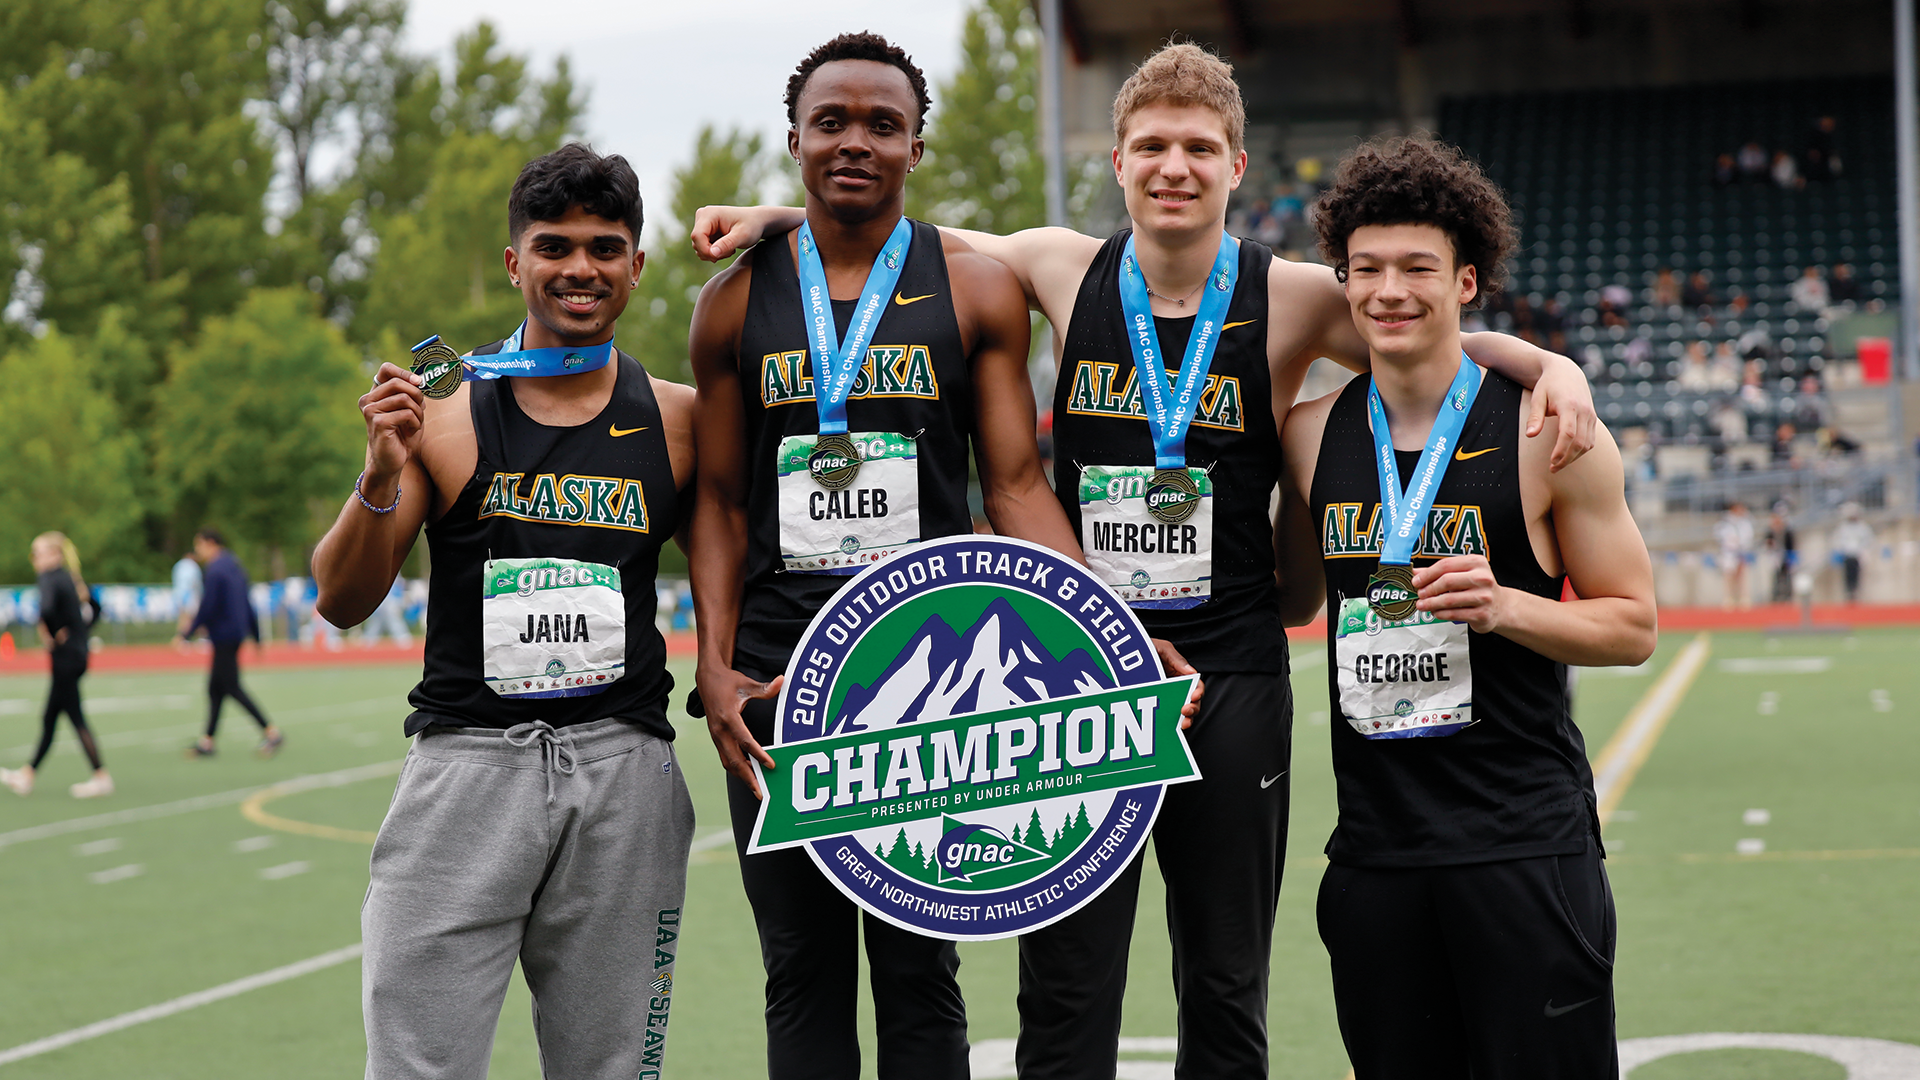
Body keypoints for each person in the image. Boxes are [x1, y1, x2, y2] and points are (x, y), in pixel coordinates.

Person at [694, 41, 1599, 1080]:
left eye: (1200, 148)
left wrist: (1547, 362)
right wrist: (775, 222)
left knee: (1224, 983)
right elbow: (893, 241)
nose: (1176, 166)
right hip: (1078, 673)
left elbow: (1419, 332)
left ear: (1237, 166)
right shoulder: (1055, 266)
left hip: (1233, 669)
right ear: (1117, 163)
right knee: (1066, 985)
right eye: (1154, 146)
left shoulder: (1298, 296)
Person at [685, 33, 1096, 1080]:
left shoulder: (977, 288)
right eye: (832, 123)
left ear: (918, 144)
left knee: (921, 969)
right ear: (795, 141)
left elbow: (1013, 485)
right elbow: (723, 503)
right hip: (783, 675)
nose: (854, 142)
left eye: (881, 124)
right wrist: (715, 667)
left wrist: (1112, 633)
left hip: (931, 669)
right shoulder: (732, 303)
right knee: (801, 967)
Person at [1273, 134, 1656, 1080]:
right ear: (1344, 281)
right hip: (1375, 856)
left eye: (1418, 268)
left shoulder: (1547, 429)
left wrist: (1506, 608)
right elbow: (1288, 594)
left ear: (1467, 282)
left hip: (1521, 846)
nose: (1390, 291)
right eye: (1366, 270)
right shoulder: (1311, 434)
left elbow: (1634, 625)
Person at [311, 143, 698, 1080]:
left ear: (636, 265)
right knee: (417, 1066)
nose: (580, 269)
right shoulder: (441, 415)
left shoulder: (681, 418)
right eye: (554, 245)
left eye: (605, 247)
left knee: (612, 1069)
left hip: (624, 772)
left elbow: (730, 587)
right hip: (468, 770)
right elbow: (341, 598)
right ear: (517, 259)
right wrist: (377, 475)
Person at [1, 533, 112, 798]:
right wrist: (78, 631)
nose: (34, 560)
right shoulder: (71, 579)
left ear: (54, 554)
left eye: (37, 553)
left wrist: (52, 634)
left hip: (65, 659)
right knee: (53, 717)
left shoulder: (51, 577)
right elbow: (95, 608)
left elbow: (47, 610)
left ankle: (100, 776)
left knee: (70, 717)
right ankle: (28, 774)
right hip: (77, 655)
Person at [177, 529, 281, 757]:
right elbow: (247, 602)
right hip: (235, 634)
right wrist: (256, 636)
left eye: (200, 545)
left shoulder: (215, 570)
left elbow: (208, 606)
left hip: (223, 636)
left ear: (210, 543)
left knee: (232, 687)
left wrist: (187, 633)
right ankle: (207, 742)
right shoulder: (235, 566)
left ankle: (271, 732)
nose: (198, 551)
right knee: (216, 688)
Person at [1716, 501, 1756, 610]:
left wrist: (1742, 544)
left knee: (1742, 576)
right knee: (1729, 577)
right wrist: (1732, 542)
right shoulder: (1724, 522)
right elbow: (1720, 535)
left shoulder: (1745, 522)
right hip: (1729, 553)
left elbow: (1749, 536)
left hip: (1741, 551)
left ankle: (1744, 599)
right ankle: (1729, 599)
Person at [1831, 502, 1872, 603]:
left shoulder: (1862, 527)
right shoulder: (1843, 528)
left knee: (1856, 575)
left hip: (1857, 555)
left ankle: (1855, 592)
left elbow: (1868, 540)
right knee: (1847, 575)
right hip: (1847, 555)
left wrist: (1864, 552)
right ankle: (1849, 592)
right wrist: (1839, 550)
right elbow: (1837, 540)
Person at [1766, 502, 1798, 603]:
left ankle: (1788, 594)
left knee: (1787, 575)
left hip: (1786, 555)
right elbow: (1768, 543)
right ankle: (1777, 594)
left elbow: (1791, 543)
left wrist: (1792, 555)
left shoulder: (1787, 531)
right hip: (1775, 556)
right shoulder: (1771, 532)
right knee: (1776, 575)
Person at [171, 549, 202, 635]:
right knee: (192, 615)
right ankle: (189, 635)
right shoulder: (192, 565)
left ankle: (181, 635)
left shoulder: (178, 565)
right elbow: (194, 582)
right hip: (190, 593)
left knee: (183, 615)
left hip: (179, 593)